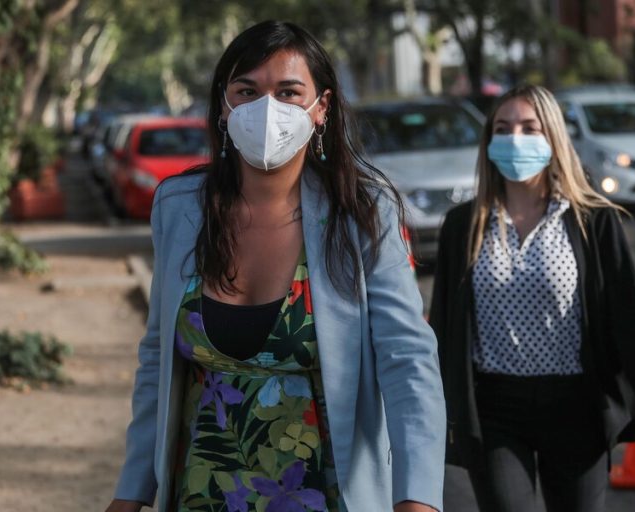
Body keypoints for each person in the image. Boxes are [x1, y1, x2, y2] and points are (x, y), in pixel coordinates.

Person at [105, 21, 445, 512]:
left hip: (325, 494)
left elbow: (407, 361)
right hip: (201, 494)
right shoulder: (179, 207)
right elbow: (158, 357)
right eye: (247, 91)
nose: (267, 109)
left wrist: (417, 498)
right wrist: (131, 491)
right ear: (224, 107)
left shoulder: (363, 214)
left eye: (288, 92)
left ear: (321, 107)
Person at [429, 84, 635, 512]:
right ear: (489, 141)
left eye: (529, 128)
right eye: (503, 128)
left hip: (577, 407)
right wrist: (431, 410)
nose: (515, 138)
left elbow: (632, 316)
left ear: (553, 137)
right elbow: (444, 326)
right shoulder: (464, 225)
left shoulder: (592, 220)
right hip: (494, 410)